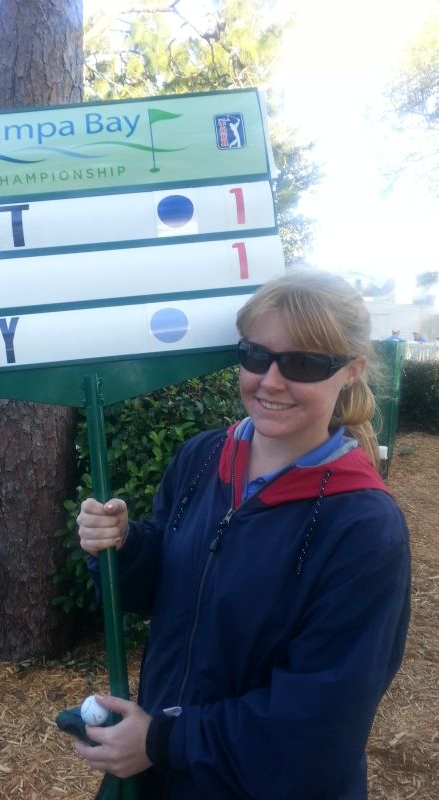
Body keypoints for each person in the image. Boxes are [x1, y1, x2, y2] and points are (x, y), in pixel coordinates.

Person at [75, 270, 411, 800]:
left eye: (302, 363)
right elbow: (165, 591)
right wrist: (125, 545)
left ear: (351, 371)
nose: (271, 381)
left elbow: (323, 724)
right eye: (256, 356)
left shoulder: (364, 527)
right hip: (162, 775)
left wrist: (165, 740)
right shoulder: (205, 456)